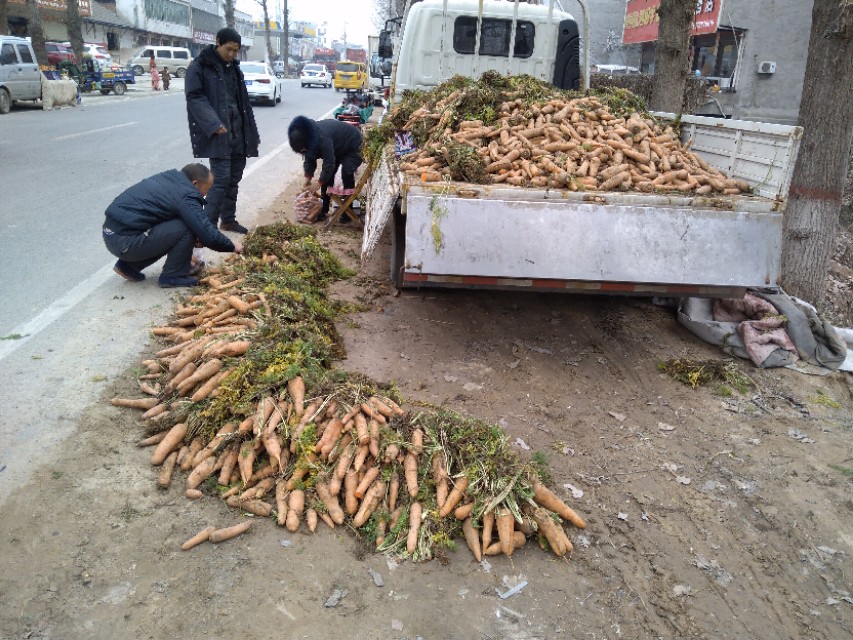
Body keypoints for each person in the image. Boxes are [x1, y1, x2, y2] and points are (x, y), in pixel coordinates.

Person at [102, 163, 242, 288]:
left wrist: (187, 253)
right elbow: (207, 233)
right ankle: (173, 276)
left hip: (113, 235)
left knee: (183, 225)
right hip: (125, 242)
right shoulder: (186, 194)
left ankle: (128, 267)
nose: (206, 194)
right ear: (195, 183)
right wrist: (232, 246)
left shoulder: (171, 180)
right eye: (207, 189)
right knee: (187, 227)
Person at [185, 27, 259, 234]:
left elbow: (242, 103)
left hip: (238, 133)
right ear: (218, 42)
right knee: (219, 181)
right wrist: (213, 123)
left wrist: (251, 134)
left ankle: (228, 220)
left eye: (236, 51)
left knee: (234, 179)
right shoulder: (200, 66)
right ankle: (207, 226)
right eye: (229, 49)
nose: (232, 54)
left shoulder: (234, 69)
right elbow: (194, 97)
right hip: (218, 134)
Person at [287, 115, 363, 221]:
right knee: (327, 178)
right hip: (337, 148)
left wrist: (319, 183)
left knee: (345, 173)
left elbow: (329, 162)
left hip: (352, 144)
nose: (303, 151)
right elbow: (309, 159)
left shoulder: (322, 138)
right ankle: (324, 210)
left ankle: (347, 211)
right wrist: (308, 179)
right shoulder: (308, 139)